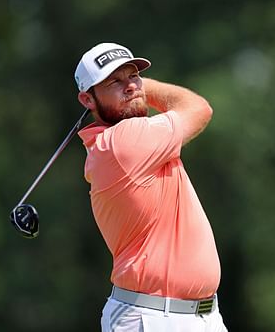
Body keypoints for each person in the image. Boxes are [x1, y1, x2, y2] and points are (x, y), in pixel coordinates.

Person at [74, 42, 228, 332]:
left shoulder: (115, 143)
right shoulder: (122, 142)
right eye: (115, 81)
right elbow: (199, 108)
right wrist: (147, 87)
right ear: (88, 100)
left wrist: (131, 87)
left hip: (201, 316)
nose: (131, 86)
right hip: (153, 318)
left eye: (134, 75)